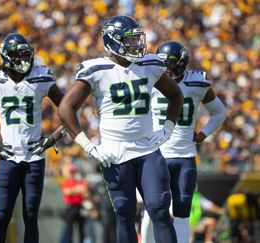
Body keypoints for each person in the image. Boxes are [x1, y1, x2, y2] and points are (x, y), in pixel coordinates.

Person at [58, 15, 184, 243]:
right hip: (115, 153)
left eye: (137, 39)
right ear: (112, 42)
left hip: (147, 149)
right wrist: (88, 146)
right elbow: (66, 108)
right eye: (130, 40)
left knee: (160, 209)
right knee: (124, 213)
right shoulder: (96, 69)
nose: (137, 45)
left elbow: (176, 95)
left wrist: (167, 127)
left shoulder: (150, 64)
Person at [0, 33, 66, 243]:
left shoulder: (41, 76)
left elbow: (69, 111)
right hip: (8, 157)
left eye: (27, 54)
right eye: (20, 55)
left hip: (34, 157)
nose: (26, 59)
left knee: (30, 216)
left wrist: (53, 137)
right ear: (8, 57)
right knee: (2, 217)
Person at [141, 40, 227, 243]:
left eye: (168, 63)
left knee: (182, 213)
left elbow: (220, 113)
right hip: (158, 154)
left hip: (183, 156)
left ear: (179, 63)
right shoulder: (150, 81)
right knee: (151, 209)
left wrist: (202, 135)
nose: (165, 68)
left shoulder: (197, 83)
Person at [59, 163, 88, 243]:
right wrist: (77, 190)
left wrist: (73, 190)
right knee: (69, 230)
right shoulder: (65, 182)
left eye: (74, 172)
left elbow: (84, 190)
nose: (72, 174)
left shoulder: (79, 181)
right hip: (70, 208)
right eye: (71, 172)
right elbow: (66, 192)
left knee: (81, 230)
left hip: (79, 206)